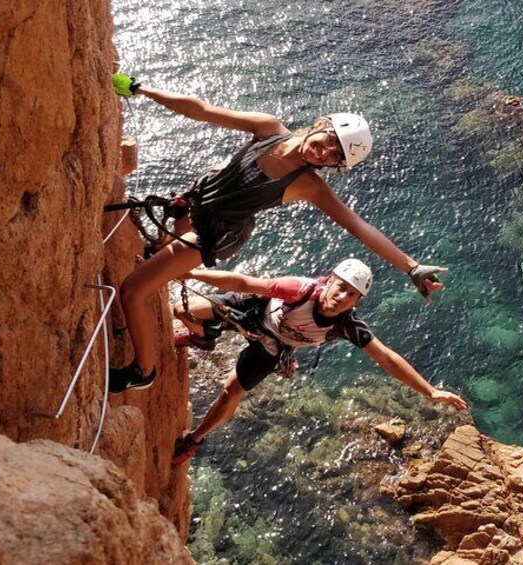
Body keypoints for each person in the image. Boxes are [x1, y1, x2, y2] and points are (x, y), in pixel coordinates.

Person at [108, 73, 447, 391]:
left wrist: (411, 267)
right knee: (159, 256)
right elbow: (202, 110)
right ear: (323, 125)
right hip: (197, 204)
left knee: (133, 289)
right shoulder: (268, 129)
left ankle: (144, 372)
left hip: (216, 234)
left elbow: (359, 227)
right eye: (331, 141)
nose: (324, 153)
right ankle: (166, 271)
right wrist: (140, 89)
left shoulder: (307, 185)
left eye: (334, 157)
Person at [160, 258, 467, 464]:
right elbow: (243, 283)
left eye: (351, 296)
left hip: (274, 343)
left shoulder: (347, 325)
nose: (342, 297)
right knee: (180, 309)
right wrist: (189, 273)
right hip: (253, 311)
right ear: (330, 281)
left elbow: (386, 358)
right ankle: (204, 336)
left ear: (357, 303)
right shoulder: (299, 290)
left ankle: (194, 439)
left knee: (232, 390)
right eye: (341, 287)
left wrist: (430, 391)